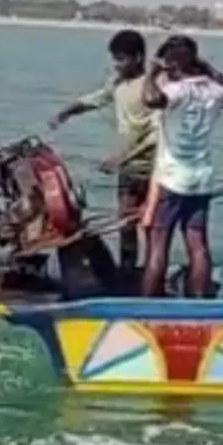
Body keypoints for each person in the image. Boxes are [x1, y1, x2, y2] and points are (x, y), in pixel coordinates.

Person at [139, 35, 223, 298]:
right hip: (202, 178)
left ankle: (146, 304)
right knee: (198, 244)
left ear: (173, 66)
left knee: (158, 245)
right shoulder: (214, 91)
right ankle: (200, 300)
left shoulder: (177, 91)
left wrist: (151, 74)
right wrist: (212, 72)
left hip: (173, 178)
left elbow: (151, 99)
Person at [48, 29, 157, 274]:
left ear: (138, 57)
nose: (116, 65)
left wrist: (121, 157)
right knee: (126, 223)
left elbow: (157, 134)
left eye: (122, 59)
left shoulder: (151, 87)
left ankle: (153, 272)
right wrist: (67, 111)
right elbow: (97, 98)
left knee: (153, 225)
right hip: (130, 170)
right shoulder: (117, 83)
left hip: (155, 167)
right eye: (114, 59)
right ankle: (127, 271)